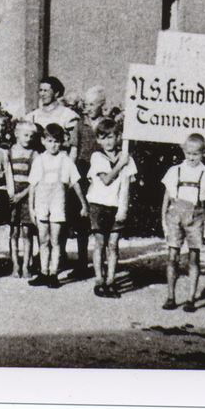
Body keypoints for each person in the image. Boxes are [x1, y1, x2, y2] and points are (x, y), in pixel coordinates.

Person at [28, 123, 87, 289]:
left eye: (56, 141)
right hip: (41, 203)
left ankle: (53, 273)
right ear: (43, 141)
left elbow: (75, 183)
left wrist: (83, 203)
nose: (53, 145)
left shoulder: (66, 160)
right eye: (49, 141)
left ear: (62, 142)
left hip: (57, 203)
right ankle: (43, 272)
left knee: (56, 240)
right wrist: (31, 208)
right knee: (43, 239)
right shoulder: (39, 160)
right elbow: (32, 186)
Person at [85, 117, 136, 298]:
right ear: (98, 140)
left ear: (118, 137)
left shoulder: (126, 158)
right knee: (100, 243)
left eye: (111, 137)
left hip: (117, 206)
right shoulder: (97, 157)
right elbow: (106, 180)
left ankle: (111, 280)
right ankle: (99, 280)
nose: (108, 141)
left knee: (113, 244)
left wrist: (124, 209)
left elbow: (127, 186)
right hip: (99, 205)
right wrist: (121, 164)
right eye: (103, 137)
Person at [160, 133, 205, 312]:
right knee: (172, 256)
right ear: (184, 151)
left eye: (196, 154)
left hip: (195, 216)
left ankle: (190, 298)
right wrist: (163, 220)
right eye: (188, 153)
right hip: (175, 215)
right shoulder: (175, 170)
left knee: (194, 257)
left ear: (203, 153)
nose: (191, 157)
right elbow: (167, 196)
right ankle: (170, 296)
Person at [5, 120, 38, 278]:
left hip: (26, 195)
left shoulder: (34, 154)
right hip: (13, 196)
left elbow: (34, 180)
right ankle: (15, 265)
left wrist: (21, 195)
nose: (28, 138)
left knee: (27, 231)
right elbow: (8, 175)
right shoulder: (9, 153)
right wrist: (12, 194)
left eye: (31, 136)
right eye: (25, 135)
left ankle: (26, 265)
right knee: (14, 231)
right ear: (16, 134)